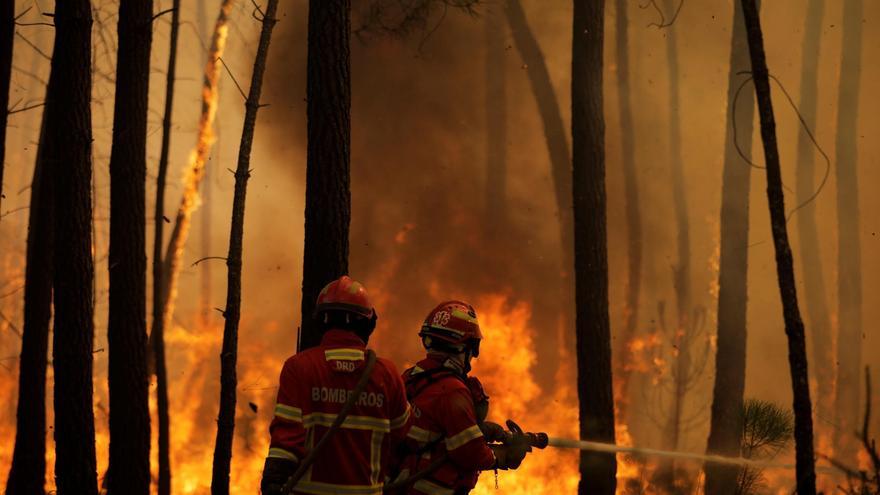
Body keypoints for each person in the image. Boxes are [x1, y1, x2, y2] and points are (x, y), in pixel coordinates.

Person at [261, 276, 412, 495]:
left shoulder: (299, 367)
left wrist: (273, 480)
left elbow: (286, 438)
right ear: (367, 324)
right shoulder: (386, 373)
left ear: (320, 321)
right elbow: (402, 434)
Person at [391, 300, 530, 495]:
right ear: (462, 347)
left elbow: (436, 429)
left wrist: (480, 431)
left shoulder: (412, 376)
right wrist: (504, 456)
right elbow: (470, 452)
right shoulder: (452, 390)